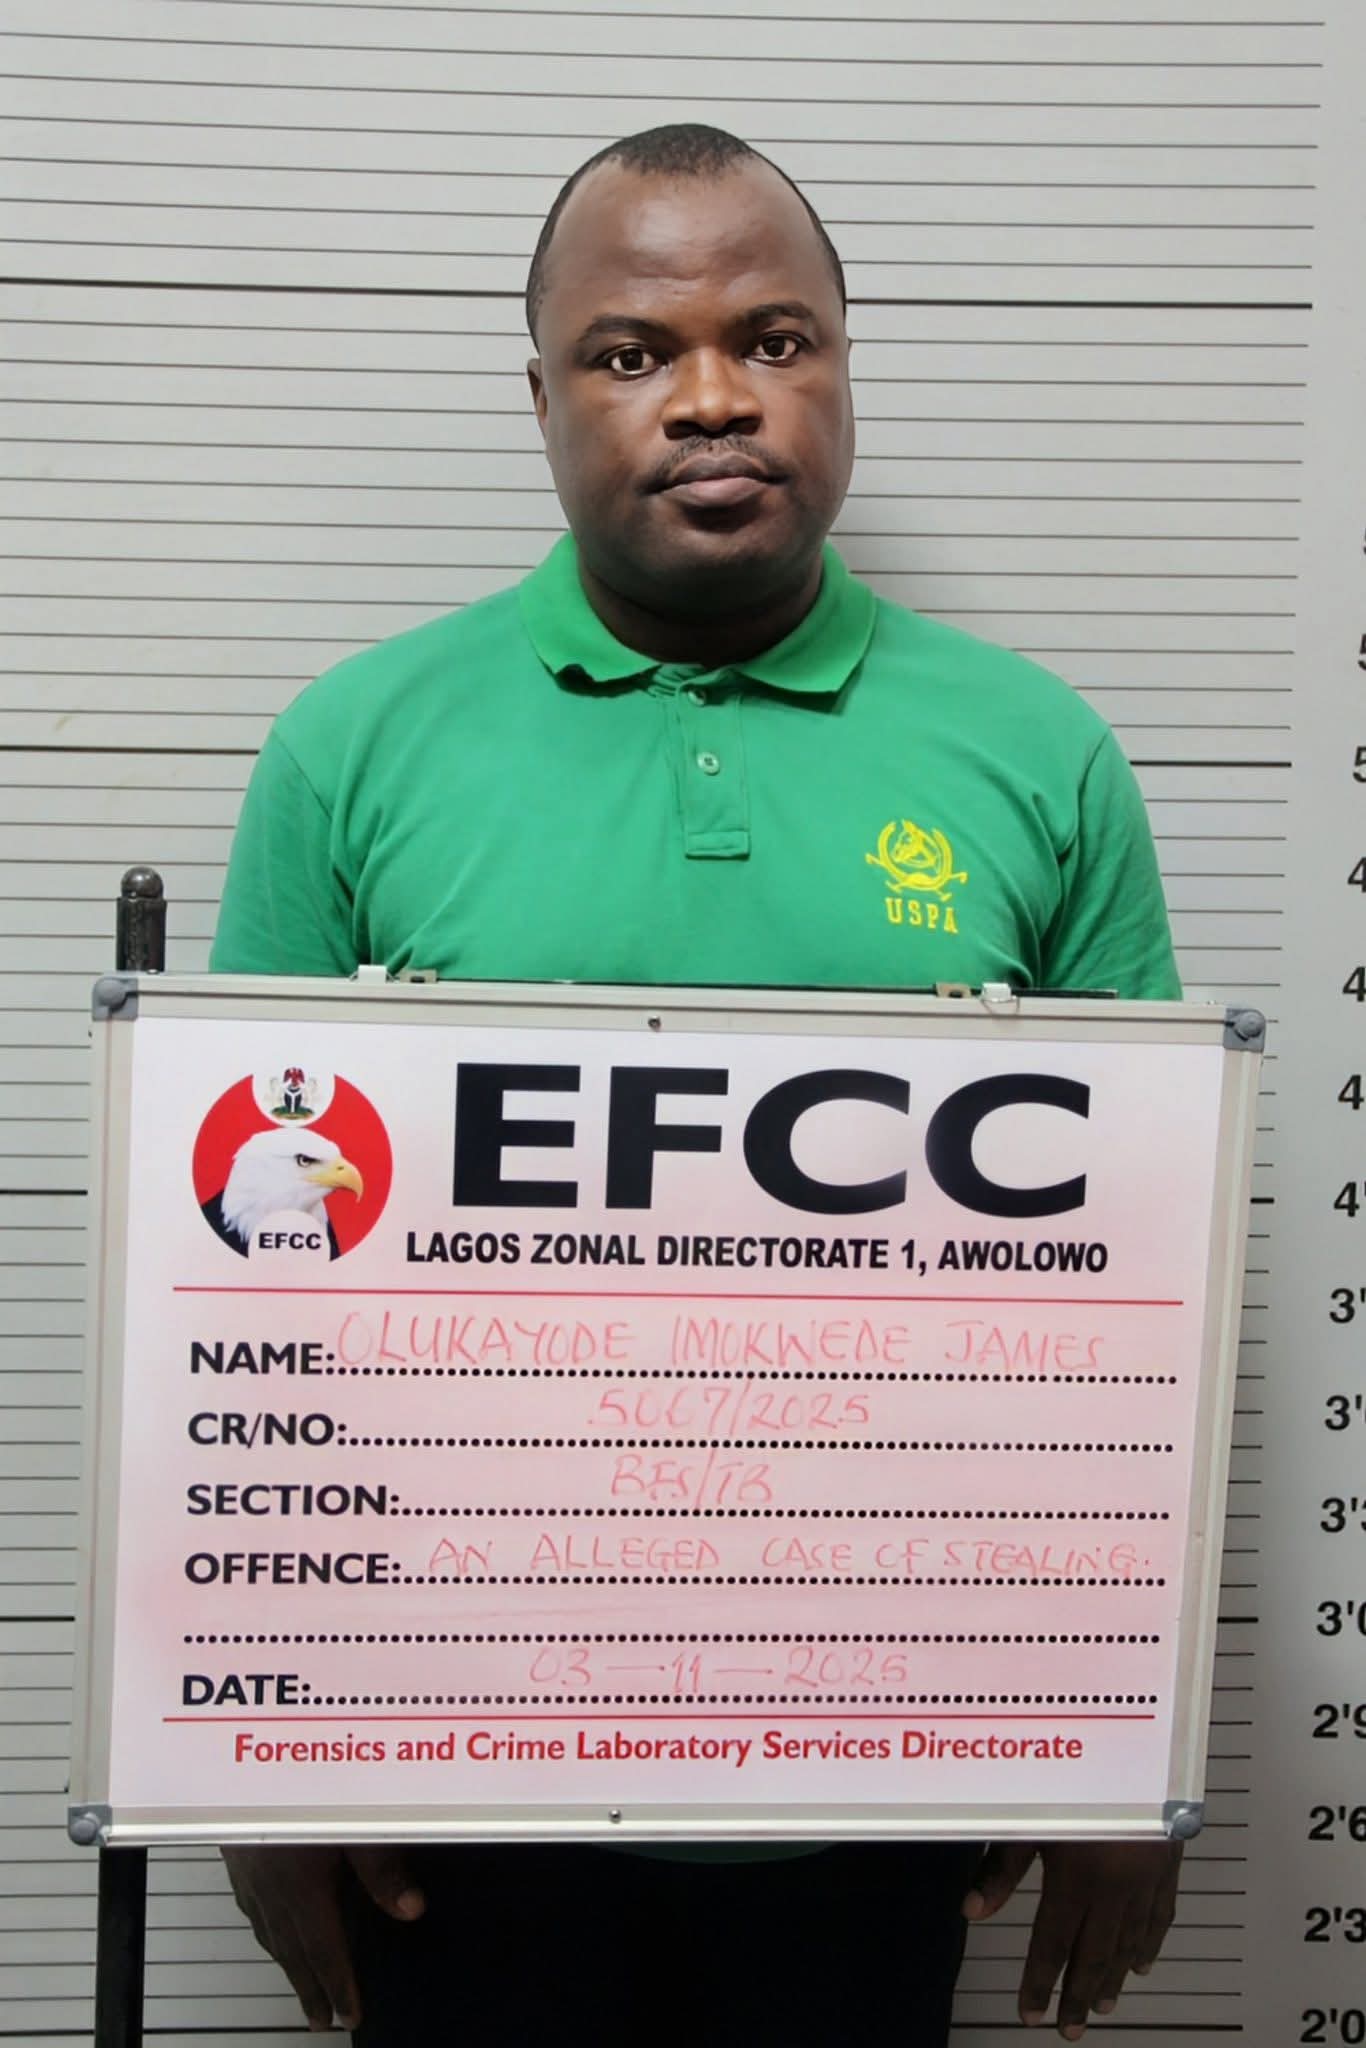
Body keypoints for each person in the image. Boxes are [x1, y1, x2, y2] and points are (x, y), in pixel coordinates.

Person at [212, 124, 1183, 2044]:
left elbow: (1138, 1309)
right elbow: (241, 1297)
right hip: (452, 1773)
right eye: (631, 351)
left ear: (843, 371)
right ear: (543, 399)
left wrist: (1117, 1746)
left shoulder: (1036, 754)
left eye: (775, 338)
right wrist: (250, 1751)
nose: (715, 396)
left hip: (880, 1780)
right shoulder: (352, 749)